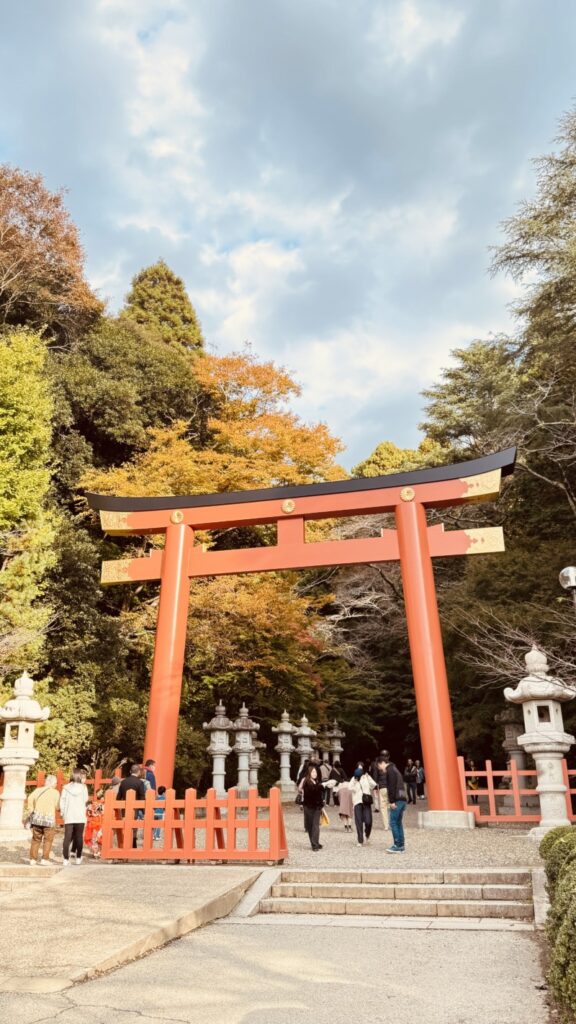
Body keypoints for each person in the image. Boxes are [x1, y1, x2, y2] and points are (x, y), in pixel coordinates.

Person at [26, 775, 60, 866]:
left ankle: (32, 859)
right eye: (56, 783)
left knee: (36, 839)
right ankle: (44, 859)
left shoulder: (38, 790)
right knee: (48, 840)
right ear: (53, 783)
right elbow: (57, 806)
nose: (56, 785)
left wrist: (31, 808)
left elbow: (29, 798)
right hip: (49, 820)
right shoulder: (55, 793)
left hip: (37, 819)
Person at [379, 751, 407, 853]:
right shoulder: (395, 769)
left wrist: (392, 801)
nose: (380, 769)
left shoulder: (389, 770)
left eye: (379, 766)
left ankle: (397, 845)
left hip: (397, 799)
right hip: (402, 798)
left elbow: (391, 786)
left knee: (393, 822)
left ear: (382, 763)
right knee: (398, 823)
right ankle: (401, 845)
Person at [60, 769, 90, 866]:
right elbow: (85, 799)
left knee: (67, 838)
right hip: (80, 815)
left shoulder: (65, 788)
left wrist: (63, 813)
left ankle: (65, 858)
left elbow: (62, 801)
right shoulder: (83, 787)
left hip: (69, 814)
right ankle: (78, 857)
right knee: (79, 836)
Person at [117, 764, 147, 848]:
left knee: (125, 827)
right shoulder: (140, 783)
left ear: (130, 771)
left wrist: (116, 808)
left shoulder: (123, 782)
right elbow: (142, 798)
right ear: (138, 772)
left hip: (124, 808)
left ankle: (124, 845)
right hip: (135, 809)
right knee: (133, 828)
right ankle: (133, 845)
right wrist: (144, 812)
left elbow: (119, 797)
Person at [348, 765, 377, 846]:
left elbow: (374, 785)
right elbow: (349, 788)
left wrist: (368, 777)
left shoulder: (366, 777)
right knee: (358, 822)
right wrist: (354, 781)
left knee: (368, 821)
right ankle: (360, 840)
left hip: (366, 802)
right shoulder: (353, 779)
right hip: (357, 802)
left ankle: (367, 834)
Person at [301, 765, 324, 852]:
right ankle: (314, 843)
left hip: (317, 807)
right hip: (309, 806)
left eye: (315, 772)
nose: (315, 774)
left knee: (315, 826)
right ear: (309, 773)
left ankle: (315, 843)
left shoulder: (316, 782)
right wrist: (321, 787)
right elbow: (311, 793)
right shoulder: (307, 782)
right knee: (311, 826)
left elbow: (318, 794)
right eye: (313, 772)